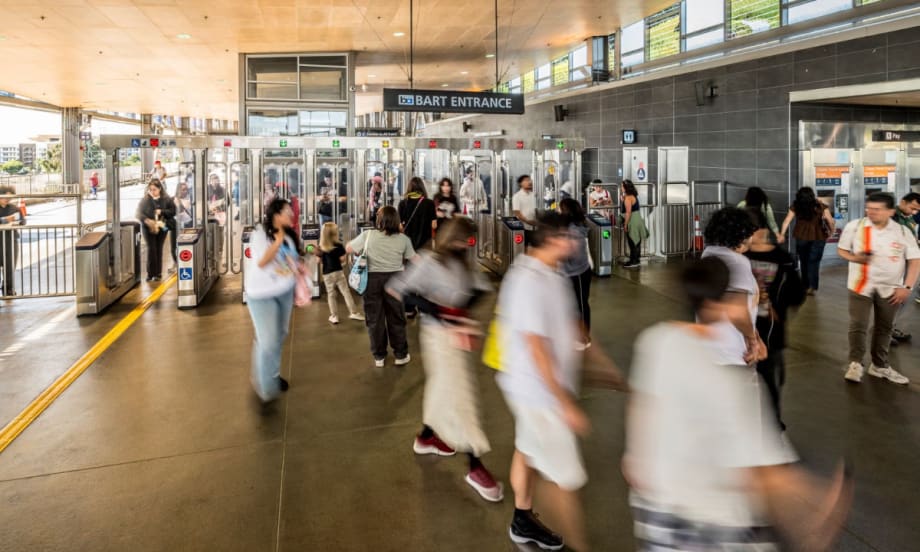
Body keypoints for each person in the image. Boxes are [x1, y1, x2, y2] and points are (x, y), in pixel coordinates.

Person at [624, 256, 852, 552]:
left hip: (656, 512)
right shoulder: (731, 385)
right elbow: (763, 473)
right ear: (724, 305)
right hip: (711, 523)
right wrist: (819, 502)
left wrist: (636, 458)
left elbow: (640, 407)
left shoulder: (657, 341)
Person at [497, 210, 621, 552]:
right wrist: (564, 402)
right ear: (552, 239)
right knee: (563, 479)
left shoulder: (551, 273)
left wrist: (601, 364)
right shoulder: (529, 280)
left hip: (538, 390)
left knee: (528, 451)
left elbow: (570, 324)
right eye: (568, 236)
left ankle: (523, 519)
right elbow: (537, 348)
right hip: (540, 395)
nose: (574, 240)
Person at [386, 217, 503, 502]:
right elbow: (396, 289)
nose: (465, 246)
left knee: (443, 389)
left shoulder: (464, 261)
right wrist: (436, 309)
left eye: (468, 242)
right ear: (450, 238)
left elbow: (481, 288)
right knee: (460, 396)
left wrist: (461, 311)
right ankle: (475, 465)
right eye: (462, 240)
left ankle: (426, 437)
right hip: (437, 338)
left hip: (456, 334)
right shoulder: (428, 261)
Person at [839, 192, 920, 386]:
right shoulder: (856, 227)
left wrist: (907, 287)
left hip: (891, 288)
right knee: (858, 325)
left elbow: (915, 261)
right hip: (860, 285)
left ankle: (879, 365)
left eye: (877, 209)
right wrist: (854, 258)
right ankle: (855, 364)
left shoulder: (902, 232)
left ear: (890, 211)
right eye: (869, 208)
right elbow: (842, 250)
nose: (871, 212)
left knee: (885, 327)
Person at [744, 208, 806, 431]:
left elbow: (797, 294)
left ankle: (770, 422)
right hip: (742, 328)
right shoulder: (738, 256)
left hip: (770, 331)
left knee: (770, 378)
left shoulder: (783, 259)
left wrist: (776, 306)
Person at [244, 198, 303, 402]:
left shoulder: (289, 235)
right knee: (267, 340)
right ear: (276, 214)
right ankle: (265, 388)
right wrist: (277, 242)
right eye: (288, 211)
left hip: (284, 291)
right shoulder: (261, 233)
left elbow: (293, 259)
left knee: (280, 334)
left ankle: (273, 374)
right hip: (262, 295)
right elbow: (261, 262)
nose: (292, 215)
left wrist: (300, 266)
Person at [346, 206, 417, 368]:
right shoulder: (404, 239)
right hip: (395, 281)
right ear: (397, 221)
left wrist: (362, 250)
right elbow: (414, 259)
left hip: (372, 281)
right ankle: (400, 354)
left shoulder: (368, 235)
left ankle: (379, 356)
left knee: (374, 319)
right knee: (396, 318)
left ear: (379, 221)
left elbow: (348, 248)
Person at [701, 207, 767, 370]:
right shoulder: (736, 262)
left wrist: (754, 334)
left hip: (709, 349)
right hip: (734, 353)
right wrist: (752, 339)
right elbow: (737, 312)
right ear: (742, 235)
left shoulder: (708, 255)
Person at [779, 187, 835, 295]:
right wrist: (831, 232)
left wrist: (782, 234)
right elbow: (830, 221)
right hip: (818, 237)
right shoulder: (820, 205)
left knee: (804, 261)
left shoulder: (796, 206)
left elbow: (786, 221)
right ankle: (812, 287)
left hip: (801, 236)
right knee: (814, 262)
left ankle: (805, 285)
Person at [559, 198, 593, 350]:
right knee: (573, 305)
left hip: (579, 273)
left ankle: (584, 338)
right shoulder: (569, 227)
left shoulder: (575, 230)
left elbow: (576, 255)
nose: (559, 212)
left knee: (581, 304)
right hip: (570, 272)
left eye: (561, 209)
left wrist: (561, 254)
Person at [317, 222, 364, 325]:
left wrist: (323, 259)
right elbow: (343, 260)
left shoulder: (321, 246)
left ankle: (334, 316)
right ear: (335, 233)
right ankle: (354, 312)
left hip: (327, 274)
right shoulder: (339, 245)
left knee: (331, 294)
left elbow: (318, 261)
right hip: (338, 272)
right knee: (346, 292)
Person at [889, 192, 920, 343]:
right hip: (894, 263)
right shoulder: (892, 215)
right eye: (912, 208)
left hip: (906, 261)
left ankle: (891, 327)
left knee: (901, 298)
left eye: (916, 210)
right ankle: (884, 333)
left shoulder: (907, 217)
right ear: (903, 202)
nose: (913, 212)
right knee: (891, 298)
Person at [135, 178, 175, 282]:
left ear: (160, 189)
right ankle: (150, 274)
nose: (152, 192)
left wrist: (161, 211)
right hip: (148, 227)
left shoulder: (167, 199)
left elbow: (173, 211)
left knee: (159, 248)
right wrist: (146, 220)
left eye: (154, 189)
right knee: (151, 249)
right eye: (150, 189)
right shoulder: (145, 200)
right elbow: (138, 213)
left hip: (162, 226)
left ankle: (158, 273)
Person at [398, 176, 437, 252]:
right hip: (425, 244)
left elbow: (400, 226)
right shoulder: (429, 203)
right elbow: (434, 225)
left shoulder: (402, 203)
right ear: (422, 188)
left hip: (408, 243)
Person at [0, 186, 24, 296]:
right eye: (5, 196)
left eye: (9, 197)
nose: (7, 199)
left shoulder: (14, 208)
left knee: (10, 265)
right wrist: (5, 220)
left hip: (11, 239)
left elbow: (22, 221)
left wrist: (18, 221)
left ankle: (8, 288)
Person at [620, 179, 649, 269]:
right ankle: (635, 259)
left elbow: (628, 212)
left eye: (622, 186)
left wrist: (625, 224)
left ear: (625, 188)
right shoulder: (633, 196)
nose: (621, 188)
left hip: (632, 220)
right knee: (636, 241)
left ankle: (634, 261)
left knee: (632, 241)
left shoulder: (628, 198)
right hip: (638, 219)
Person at [511, 175, 537, 242]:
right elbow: (517, 212)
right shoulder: (517, 196)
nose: (529, 182)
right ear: (520, 183)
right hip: (524, 227)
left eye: (530, 180)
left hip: (535, 227)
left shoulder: (533, 195)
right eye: (526, 180)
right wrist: (528, 221)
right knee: (524, 247)